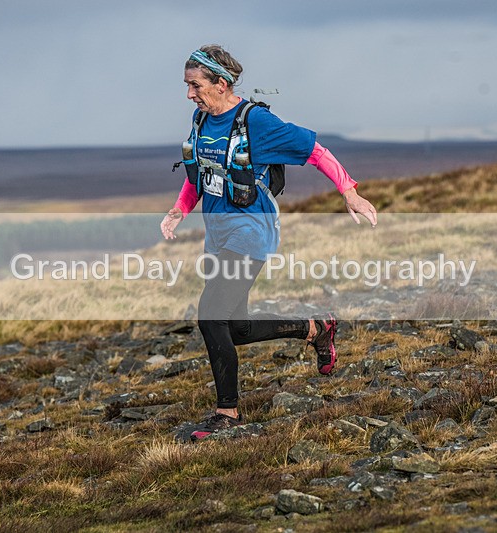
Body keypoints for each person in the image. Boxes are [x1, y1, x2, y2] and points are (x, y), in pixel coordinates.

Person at [160, 45, 377, 441]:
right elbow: (199, 173)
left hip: (252, 232)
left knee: (210, 316)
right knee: (236, 328)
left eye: (195, 85)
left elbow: (316, 152)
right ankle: (316, 329)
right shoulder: (201, 119)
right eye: (187, 86)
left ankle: (227, 413)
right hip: (219, 233)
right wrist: (179, 209)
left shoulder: (256, 122)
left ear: (221, 84)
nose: (189, 94)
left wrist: (349, 191)